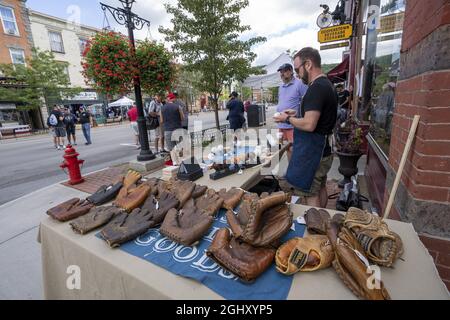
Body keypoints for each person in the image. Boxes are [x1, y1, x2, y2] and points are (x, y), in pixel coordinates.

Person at [274, 47, 337, 208]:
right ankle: (322, 219)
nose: (296, 74)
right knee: (320, 186)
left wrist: (288, 118)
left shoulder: (316, 88)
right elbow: (317, 115)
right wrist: (297, 112)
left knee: (310, 193)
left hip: (315, 152)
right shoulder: (326, 84)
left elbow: (309, 124)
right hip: (324, 149)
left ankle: (315, 227)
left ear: (308, 64)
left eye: (297, 69)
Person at [276, 63, 308, 150]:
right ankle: (291, 164)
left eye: (285, 71)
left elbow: (308, 102)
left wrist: (297, 113)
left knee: (294, 149)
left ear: (291, 71)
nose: (282, 74)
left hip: (293, 125)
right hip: (281, 125)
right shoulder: (281, 86)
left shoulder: (300, 84)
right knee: (285, 149)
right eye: (281, 72)